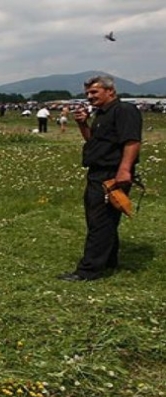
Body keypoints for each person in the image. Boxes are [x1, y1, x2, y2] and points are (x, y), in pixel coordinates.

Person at [58, 75, 142, 282]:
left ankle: (88, 270)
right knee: (103, 220)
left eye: (94, 92)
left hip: (111, 173)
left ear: (110, 91)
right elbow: (94, 142)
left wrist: (124, 170)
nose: (89, 96)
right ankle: (109, 260)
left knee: (100, 221)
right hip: (96, 172)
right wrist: (82, 124)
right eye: (87, 93)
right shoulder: (102, 114)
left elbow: (132, 141)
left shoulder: (124, 111)